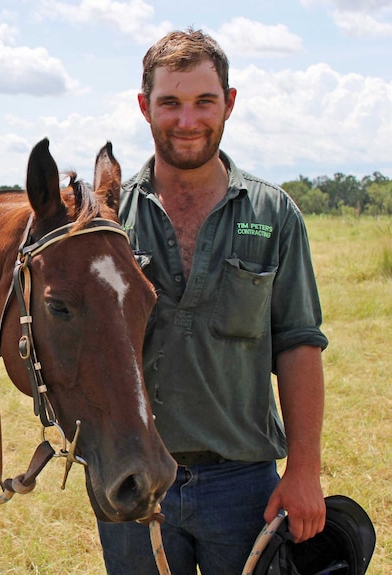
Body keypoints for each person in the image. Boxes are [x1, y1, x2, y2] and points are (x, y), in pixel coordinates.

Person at [97, 28, 329, 574]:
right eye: (169, 103)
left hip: (244, 483)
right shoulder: (109, 223)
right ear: (143, 107)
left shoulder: (274, 215)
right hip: (137, 480)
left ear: (228, 103)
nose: (187, 120)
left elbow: (299, 346)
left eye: (204, 101)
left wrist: (304, 471)